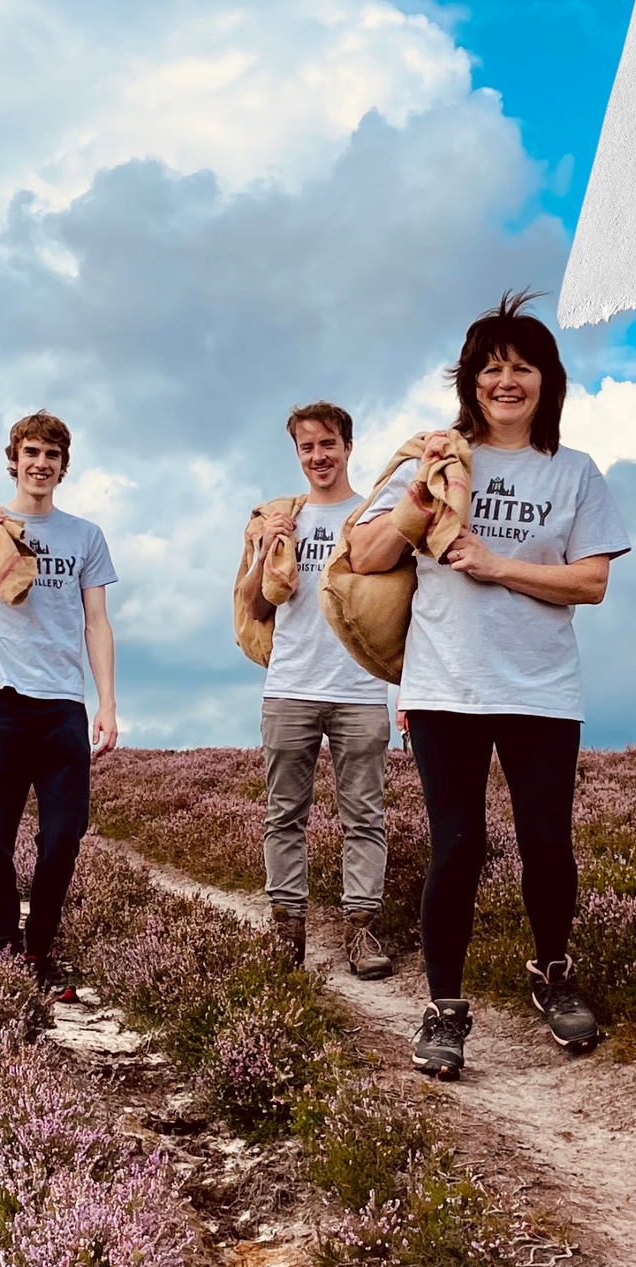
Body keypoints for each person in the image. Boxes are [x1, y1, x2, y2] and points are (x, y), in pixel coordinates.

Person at [347, 292, 630, 1080]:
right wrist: (417, 499)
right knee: (459, 847)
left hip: (542, 688)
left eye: (522, 368)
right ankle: (444, 1009)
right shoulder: (433, 460)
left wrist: (496, 564)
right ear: (470, 382)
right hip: (445, 688)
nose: (507, 381)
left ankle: (550, 973)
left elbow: (593, 582)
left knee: (547, 843)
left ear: (548, 382)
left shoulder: (575, 473)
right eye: (491, 368)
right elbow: (367, 557)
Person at [0, 412, 118, 1000]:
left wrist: (106, 701)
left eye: (51, 455)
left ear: (63, 464)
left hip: (62, 704)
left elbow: (97, 622)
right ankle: (3, 955)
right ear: (14, 459)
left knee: (64, 836)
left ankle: (38, 950)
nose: (40, 463)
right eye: (30, 452)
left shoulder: (85, 535)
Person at [241, 402, 394, 979]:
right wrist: (265, 550)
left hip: (361, 687)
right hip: (289, 685)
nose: (318, 456)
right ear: (297, 454)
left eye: (328, 444)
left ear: (348, 447)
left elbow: (400, 608)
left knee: (364, 816)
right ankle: (288, 928)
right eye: (307, 447)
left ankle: (363, 930)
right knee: (284, 814)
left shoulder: (372, 516)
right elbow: (256, 607)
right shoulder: (282, 518)